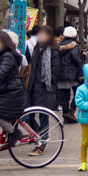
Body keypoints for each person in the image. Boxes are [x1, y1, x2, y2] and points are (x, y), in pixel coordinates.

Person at [26, 25, 60, 156]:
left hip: (45, 89)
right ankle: (42, 134)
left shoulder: (53, 50)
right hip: (33, 88)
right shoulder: (37, 48)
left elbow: (55, 71)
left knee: (43, 116)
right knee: (27, 116)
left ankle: (41, 145)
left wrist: (47, 83)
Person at [58, 26, 82, 124]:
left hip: (61, 73)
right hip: (73, 73)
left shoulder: (59, 45)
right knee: (78, 92)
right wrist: (81, 65)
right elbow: (75, 58)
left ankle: (65, 116)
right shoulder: (74, 45)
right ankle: (71, 111)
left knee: (65, 96)